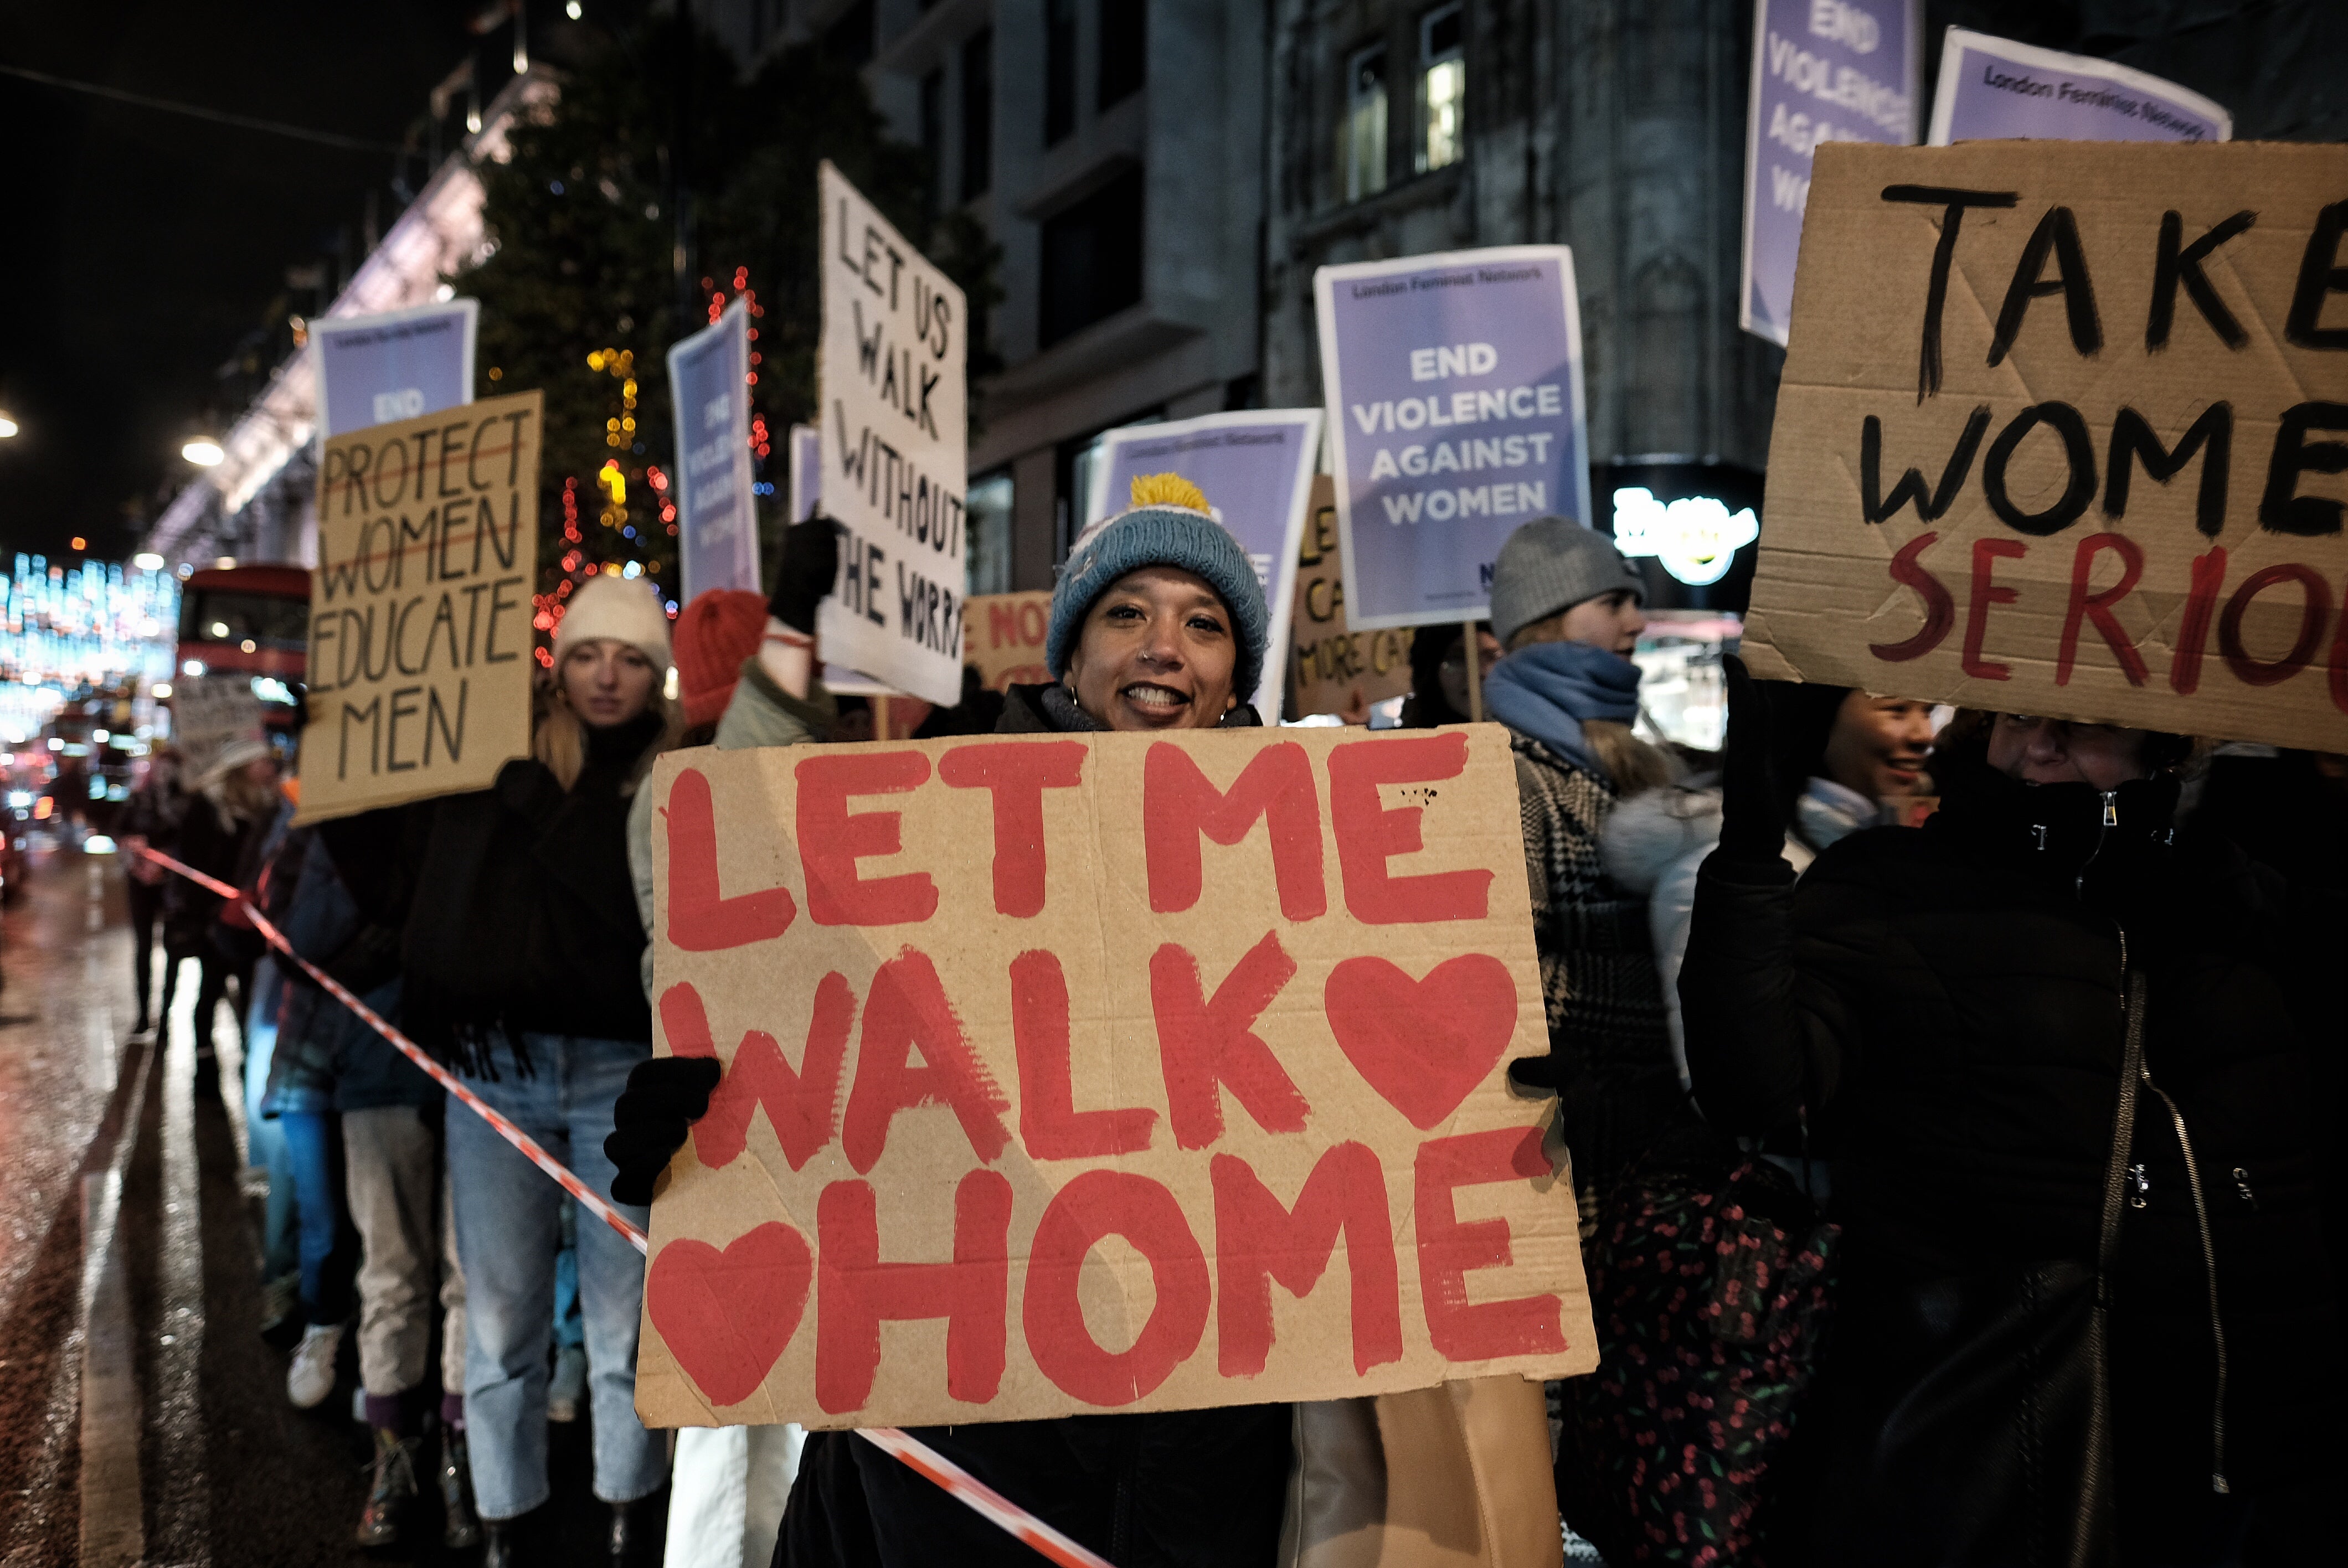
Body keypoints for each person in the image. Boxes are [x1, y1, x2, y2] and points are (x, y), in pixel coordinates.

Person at [607, 476, 1295, 1567]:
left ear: (1232, 678)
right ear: (1070, 654)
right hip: (965, 1414)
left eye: (1202, 623)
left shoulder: (1304, 856)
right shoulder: (930, 820)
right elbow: (824, 1050)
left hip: (1204, 1425)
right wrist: (705, 1130)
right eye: (1126, 613)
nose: (1164, 645)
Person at [1681, 674, 2342, 1561]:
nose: (2037, 746)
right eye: (2022, 716)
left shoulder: (2234, 894)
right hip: (2001, 1449)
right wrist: (1750, 849)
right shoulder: (1892, 886)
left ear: (2169, 745)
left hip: (2245, 1454)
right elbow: (1756, 1095)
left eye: (2085, 726)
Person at [402, 572, 682, 1567]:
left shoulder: (674, 778)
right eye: (589, 654)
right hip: (499, 1075)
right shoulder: (504, 768)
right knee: (503, 1318)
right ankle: (504, 1520)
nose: (608, 675)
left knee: (624, 1326)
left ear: (657, 674)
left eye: (632, 657)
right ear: (560, 667)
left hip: (618, 1073)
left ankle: (626, 1512)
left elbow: (649, 921)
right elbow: (438, 912)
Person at [1476, 516, 1683, 1199]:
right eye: (1614, 603)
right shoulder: (1511, 775)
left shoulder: (1626, 762)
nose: (1639, 620)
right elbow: (1510, 982)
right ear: (1550, 620)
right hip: (1575, 1153)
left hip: (1649, 1139)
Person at [1601, 684, 1937, 1082]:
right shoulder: (1726, 873)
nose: (1923, 735)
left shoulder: (1888, 853)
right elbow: (1731, 1080)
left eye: (1928, 711)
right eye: (1896, 709)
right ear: (1814, 719)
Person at [164, 737, 280, 1086]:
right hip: (214, 918)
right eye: (262, 762)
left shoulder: (268, 806)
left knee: (249, 990)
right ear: (244, 768)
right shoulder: (207, 807)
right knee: (211, 989)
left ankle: (250, 1061)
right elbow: (192, 863)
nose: (270, 768)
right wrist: (210, 913)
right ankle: (205, 1063)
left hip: (251, 919)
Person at [117, 741, 185, 1036]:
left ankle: (166, 1018)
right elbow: (118, 829)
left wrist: (169, 857)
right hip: (141, 882)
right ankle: (144, 1015)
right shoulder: (138, 799)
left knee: (173, 947)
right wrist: (134, 852)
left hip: (172, 884)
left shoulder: (185, 803)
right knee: (144, 947)